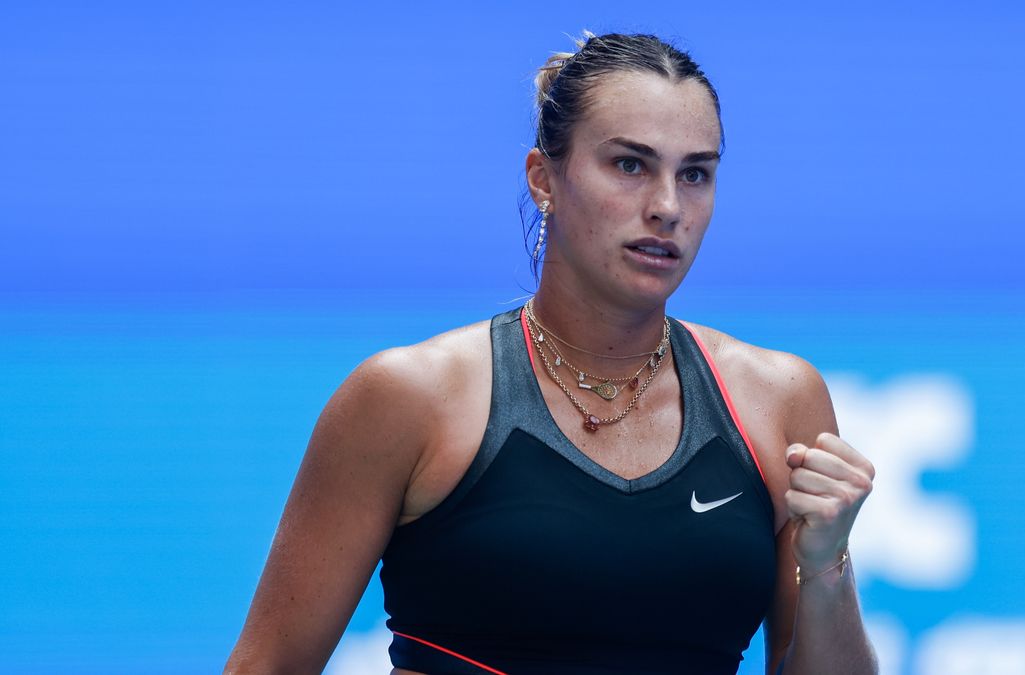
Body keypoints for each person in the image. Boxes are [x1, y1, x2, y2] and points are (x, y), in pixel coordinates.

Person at [225, 32, 877, 675]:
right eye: (630, 164)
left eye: (696, 173)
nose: (668, 206)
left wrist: (825, 565)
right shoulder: (409, 398)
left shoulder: (778, 399)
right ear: (545, 178)